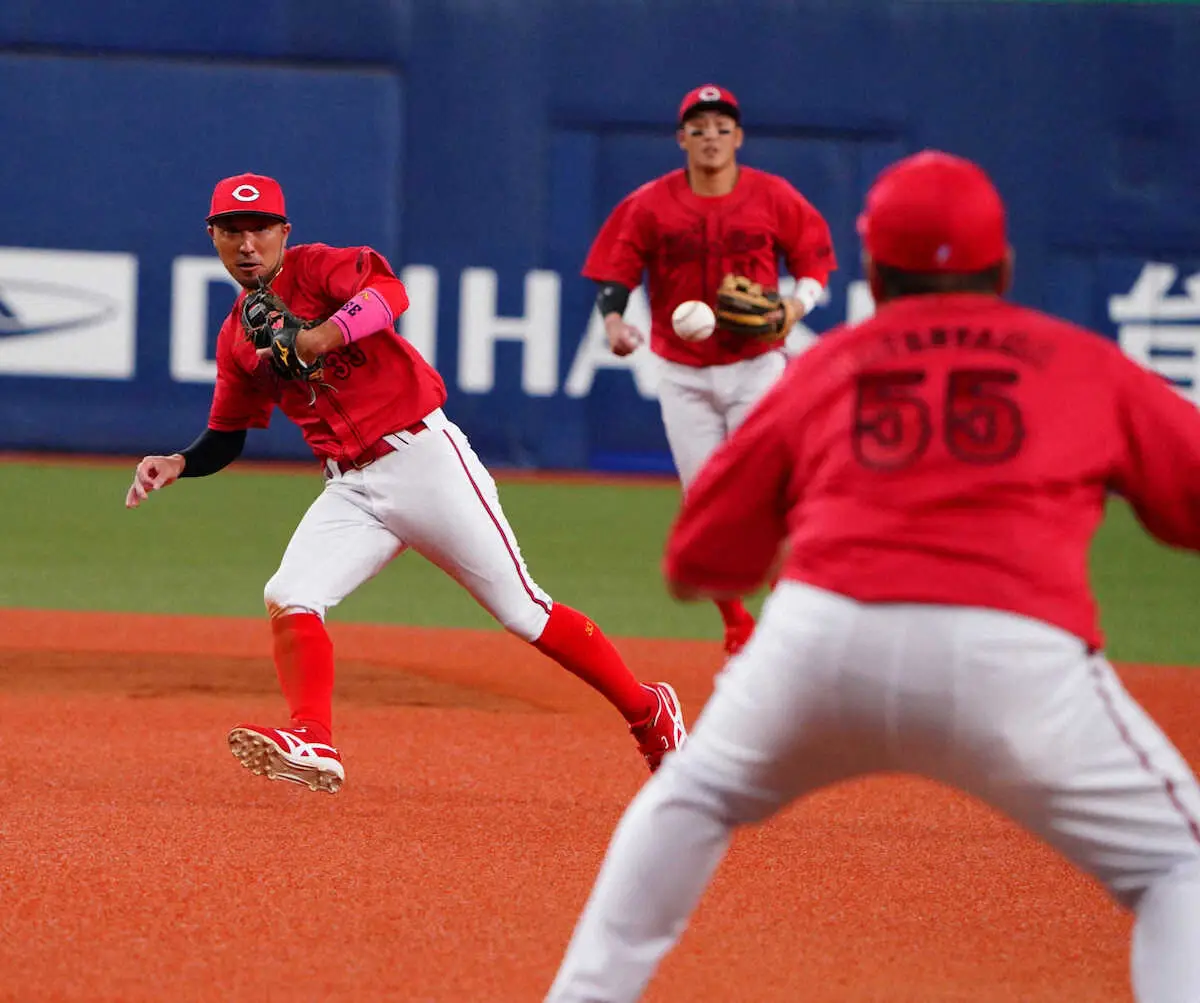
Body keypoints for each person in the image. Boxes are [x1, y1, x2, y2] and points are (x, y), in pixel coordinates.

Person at [546, 151, 1200, 1002]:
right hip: (1016, 655)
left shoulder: (824, 368)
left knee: (691, 800)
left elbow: (702, 558)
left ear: (878, 280)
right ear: (1003, 270)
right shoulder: (1078, 362)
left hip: (822, 639)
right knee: (1175, 864)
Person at [125, 172, 687, 794]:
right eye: (231, 230)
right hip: (350, 487)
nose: (247, 243)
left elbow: (390, 293)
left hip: (421, 458)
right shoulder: (236, 337)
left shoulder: (318, 270)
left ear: (284, 232)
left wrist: (322, 334)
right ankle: (312, 736)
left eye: (259, 228)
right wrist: (180, 460)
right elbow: (228, 432)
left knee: (523, 611)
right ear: (213, 237)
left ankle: (647, 711)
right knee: (290, 593)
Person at [583, 83, 837, 657]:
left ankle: (790, 621)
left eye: (722, 127)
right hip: (684, 373)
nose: (711, 137)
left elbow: (814, 262)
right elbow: (615, 273)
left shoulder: (773, 197)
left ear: (739, 137)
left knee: (771, 494)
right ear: (682, 139)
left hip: (756, 366)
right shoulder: (650, 203)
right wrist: (614, 323)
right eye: (699, 128)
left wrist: (796, 307)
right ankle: (737, 623)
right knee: (707, 500)